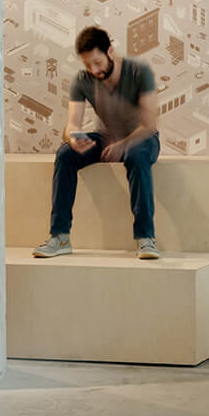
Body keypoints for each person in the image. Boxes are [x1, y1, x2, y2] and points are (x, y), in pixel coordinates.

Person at [34, 26, 164, 260]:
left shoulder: (139, 71)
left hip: (142, 138)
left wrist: (123, 145)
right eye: (87, 65)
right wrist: (73, 137)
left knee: (136, 156)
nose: (94, 70)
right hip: (105, 138)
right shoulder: (82, 79)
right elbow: (71, 125)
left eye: (97, 62)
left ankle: (146, 238)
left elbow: (149, 124)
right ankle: (60, 237)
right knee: (65, 154)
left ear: (110, 51)